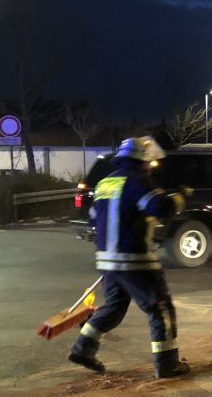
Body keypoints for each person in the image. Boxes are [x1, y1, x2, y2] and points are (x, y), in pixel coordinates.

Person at [68, 136, 191, 379]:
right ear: (142, 160)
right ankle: (167, 364)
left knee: (113, 307)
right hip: (135, 259)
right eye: (149, 162)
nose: (151, 166)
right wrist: (180, 198)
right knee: (161, 309)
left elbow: (93, 216)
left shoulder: (105, 184)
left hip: (107, 260)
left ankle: (83, 349)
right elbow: (160, 209)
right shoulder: (139, 181)